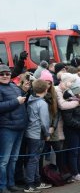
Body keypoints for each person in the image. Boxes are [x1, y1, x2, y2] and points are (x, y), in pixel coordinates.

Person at [0, 64, 27, 193]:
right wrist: (16, 101)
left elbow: (23, 100)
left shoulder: (14, 86)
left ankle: (11, 184)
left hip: (20, 126)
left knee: (14, 158)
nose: (5, 75)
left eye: (7, 73)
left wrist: (25, 90)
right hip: (7, 127)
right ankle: (2, 186)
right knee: (4, 160)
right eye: (2, 74)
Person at [24, 79, 52, 193]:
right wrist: (47, 134)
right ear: (46, 89)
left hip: (30, 132)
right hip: (37, 134)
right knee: (33, 159)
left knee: (34, 159)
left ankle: (36, 181)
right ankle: (30, 184)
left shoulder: (31, 99)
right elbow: (44, 122)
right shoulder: (42, 103)